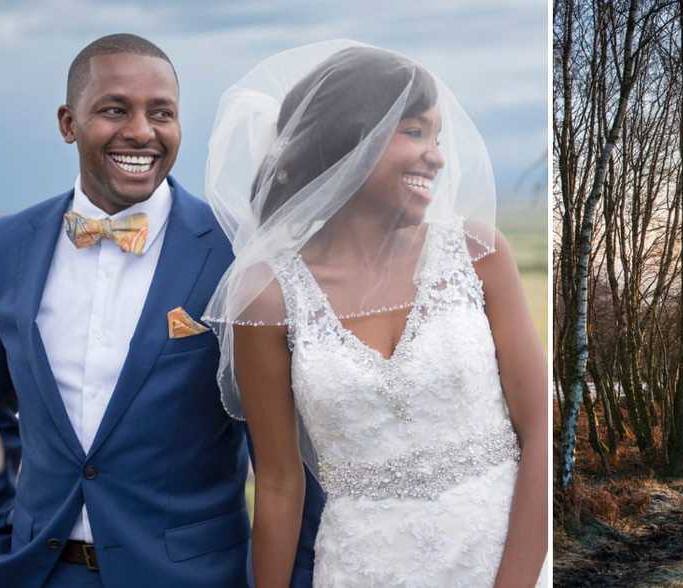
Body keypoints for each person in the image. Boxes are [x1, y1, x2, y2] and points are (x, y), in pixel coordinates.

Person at [203, 40, 548, 587]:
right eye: (413, 131)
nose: (435, 154)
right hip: (362, 568)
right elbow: (278, 485)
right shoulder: (268, 297)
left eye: (437, 136)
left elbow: (541, 432)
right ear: (348, 139)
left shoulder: (480, 254)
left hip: (506, 559)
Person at [0, 34, 322, 587]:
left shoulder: (239, 254)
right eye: (115, 109)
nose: (141, 131)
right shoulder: (3, 247)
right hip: (35, 572)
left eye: (161, 112)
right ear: (68, 123)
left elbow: (287, 457)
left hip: (193, 576)